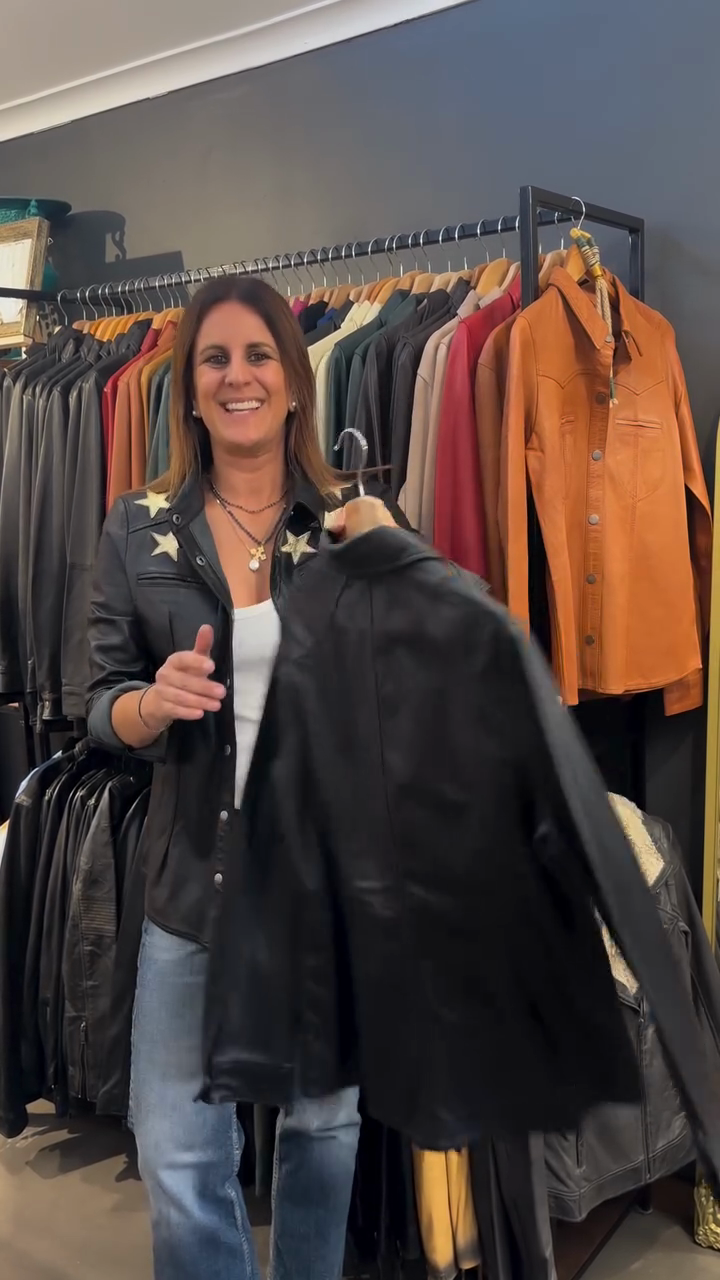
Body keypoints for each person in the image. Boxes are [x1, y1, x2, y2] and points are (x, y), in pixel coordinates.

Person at [86, 276, 397, 1280]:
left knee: (324, 1131)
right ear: (188, 387)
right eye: (214, 358)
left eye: (259, 355)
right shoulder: (137, 526)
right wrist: (150, 703)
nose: (238, 376)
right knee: (179, 1155)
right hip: (192, 888)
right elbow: (98, 699)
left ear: (295, 380)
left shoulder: (353, 520)